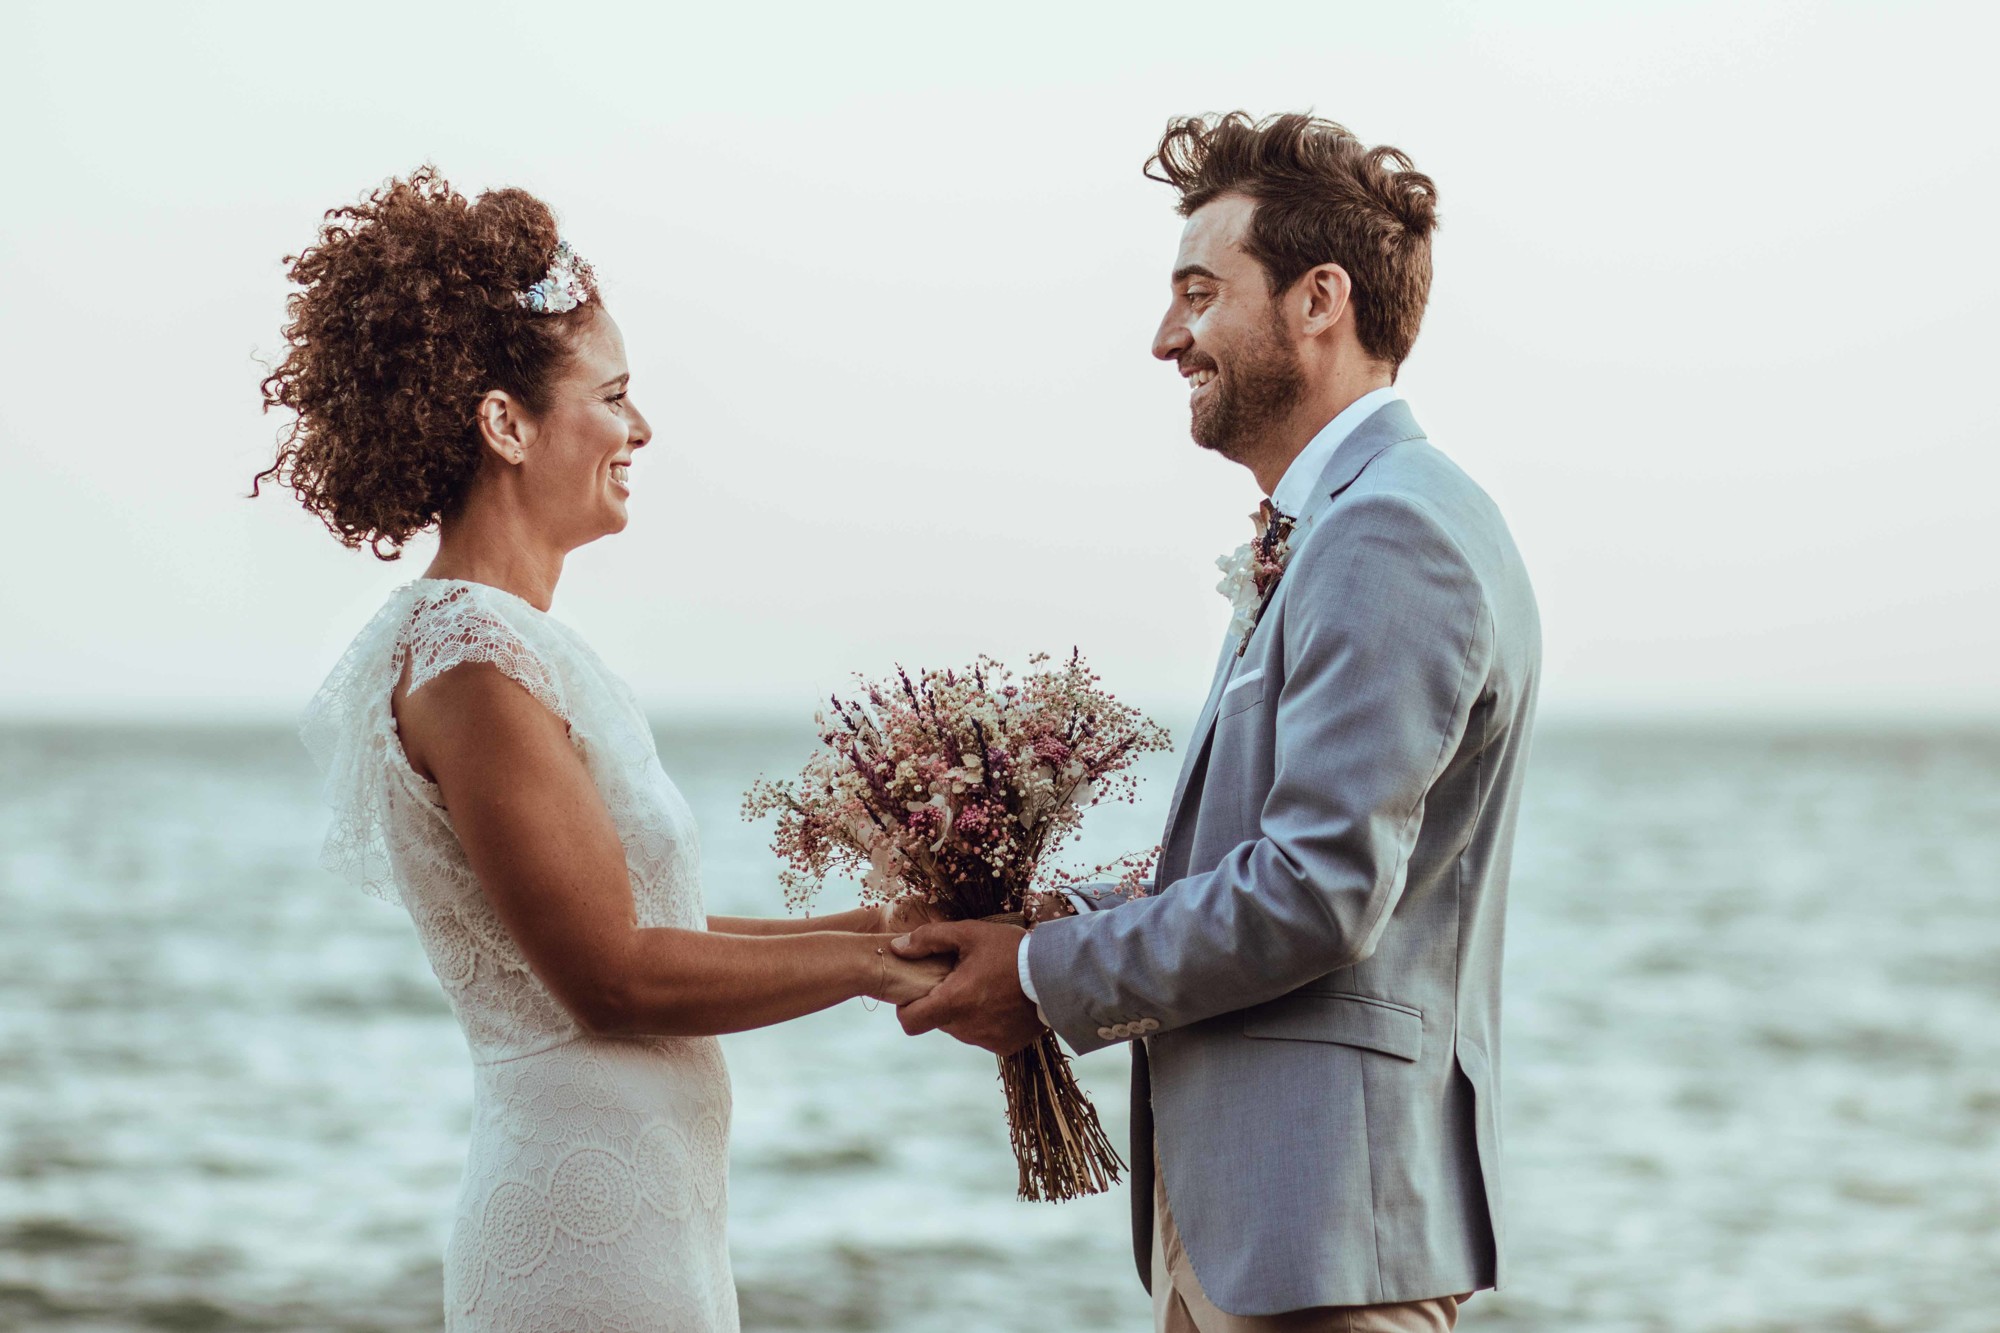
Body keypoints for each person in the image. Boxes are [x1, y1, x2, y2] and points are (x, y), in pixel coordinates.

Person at [257, 168, 945, 1333]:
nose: (641, 428)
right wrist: (872, 971)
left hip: (646, 1216)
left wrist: (883, 927)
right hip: (585, 1237)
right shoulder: (471, 662)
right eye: (614, 396)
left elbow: (636, 925)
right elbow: (610, 974)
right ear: (505, 424)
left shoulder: (509, 644)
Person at [895, 113, 1541, 1332]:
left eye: (1198, 292)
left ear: (1318, 299)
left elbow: (1316, 890)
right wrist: (1050, 916)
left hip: (1324, 1237)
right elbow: (1257, 857)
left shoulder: (1389, 531)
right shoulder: (1334, 527)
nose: (1163, 338)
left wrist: (1039, 977)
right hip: (1257, 1228)